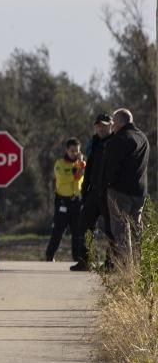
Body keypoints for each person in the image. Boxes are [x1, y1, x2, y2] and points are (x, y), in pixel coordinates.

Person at [102, 108, 150, 266]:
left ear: (120, 122)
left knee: (121, 230)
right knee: (137, 228)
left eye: (114, 123)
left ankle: (126, 267)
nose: (112, 127)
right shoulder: (143, 138)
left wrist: (108, 183)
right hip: (139, 192)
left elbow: (111, 167)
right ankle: (140, 265)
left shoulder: (119, 140)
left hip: (120, 192)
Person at [71, 114, 114, 271]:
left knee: (111, 229)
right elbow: (89, 167)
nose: (101, 128)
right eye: (98, 125)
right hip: (93, 191)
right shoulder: (94, 143)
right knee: (84, 226)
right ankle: (86, 261)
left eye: (104, 125)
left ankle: (111, 263)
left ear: (111, 125)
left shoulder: (115, 142)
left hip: (109, 192)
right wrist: (85, 188)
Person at [45, 138, 85, 262]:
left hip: (76, 201)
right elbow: (62, 179)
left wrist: (81, 166)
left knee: (77, 231)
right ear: (67, 150)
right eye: (72, 151)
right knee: (58, 230)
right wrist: (76, 173)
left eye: (76, 151)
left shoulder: (80, 164)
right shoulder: (60, 164)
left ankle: (77, 258)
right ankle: (50, 255)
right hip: (63, 201)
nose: (74, 153)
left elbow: (82, 179)